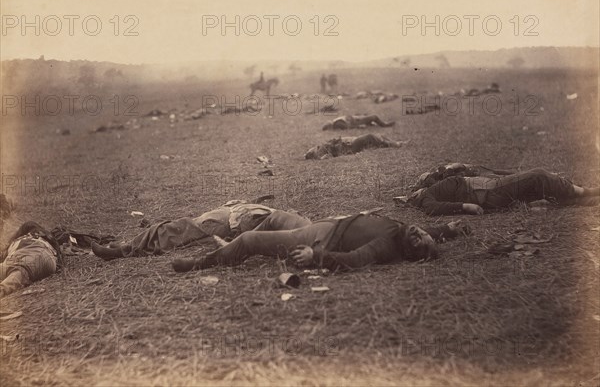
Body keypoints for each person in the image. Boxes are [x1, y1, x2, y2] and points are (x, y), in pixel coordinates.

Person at [172, 214, 470, 272]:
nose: (419, 232)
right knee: (275, 215)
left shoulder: (387, 246)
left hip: (318, 237)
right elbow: (425, 232)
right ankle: (230, 245)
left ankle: (203, 263)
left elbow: (354, 259)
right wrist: (448, 228)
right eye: (423, 233)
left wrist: (316, 257)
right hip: (326, 222)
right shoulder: (408, 233)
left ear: (410, 252)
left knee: (250, 239)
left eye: (419, 239)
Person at [91, 202, 311, 260]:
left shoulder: (300, 231)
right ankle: (125, 247)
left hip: (230, 221)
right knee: (179, 229)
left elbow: (259, 233)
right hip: (234, 215)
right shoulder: (301, 226)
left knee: (176, 229)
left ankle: (123, 250)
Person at [408, 168, 600, 215]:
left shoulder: (433, 187)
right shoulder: (425, 198)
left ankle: (583, 201)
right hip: (488, 192)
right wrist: (466, 206)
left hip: (488, 188)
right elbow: (433, 208)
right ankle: (587, 192)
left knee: (537, 189)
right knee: (538, 175)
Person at [0, 221, 62, 298]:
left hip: (34, 253)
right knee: (20, 270)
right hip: (43, 256)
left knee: (21, 270)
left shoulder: (24, 238)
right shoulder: (45, 238)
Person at [410, 162, 514, 192]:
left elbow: (456, 165)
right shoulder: (438, 183)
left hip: (470, 171)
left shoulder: (440, 172)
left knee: (495, 173)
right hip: (471, 176)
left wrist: (453, 167)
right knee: (496, 176)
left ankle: (516, 173)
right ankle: (516, 174)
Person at [305, 134, 405, 160]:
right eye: (313, 150)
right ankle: (394, 144)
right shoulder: (321, 151)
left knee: (378, 136)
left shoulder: (321, 147)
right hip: (350, 147)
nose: (315, 147)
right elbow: (328, 155)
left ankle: (394, 142)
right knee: (369, 136)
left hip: (351, 142)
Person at [322, 115, 395, 131]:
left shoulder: (336, 122)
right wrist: (359, 127)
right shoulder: (337, 123)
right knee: (374, 117)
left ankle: (371, 124)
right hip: (357, 122)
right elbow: (348, 127)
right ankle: (385, 125)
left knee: (369, 118)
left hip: (356, 119)